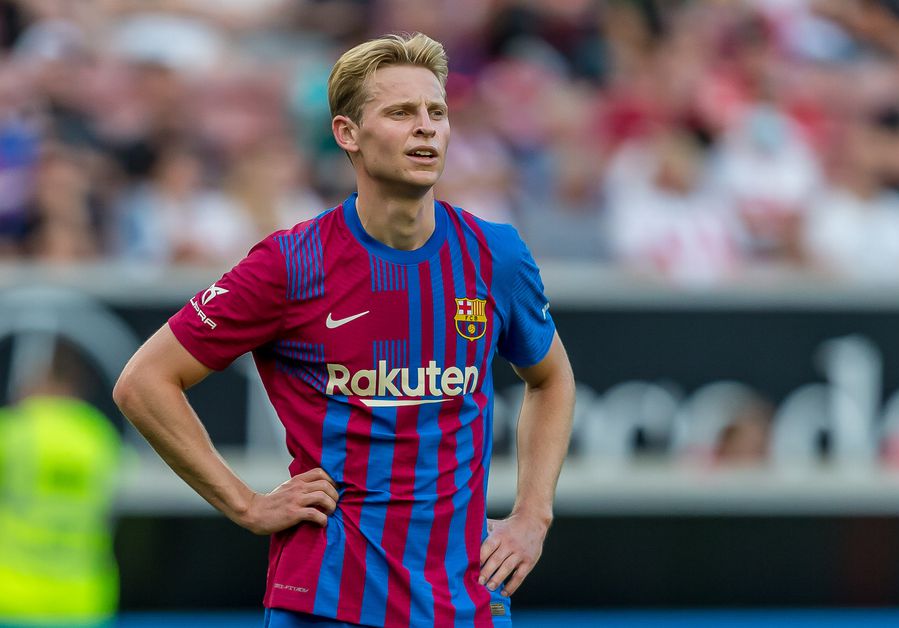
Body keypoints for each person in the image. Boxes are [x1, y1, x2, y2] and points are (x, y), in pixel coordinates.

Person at [113, 33, 575, 627]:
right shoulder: (290, 264)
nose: (426, 127)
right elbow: (144, 382)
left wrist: (534, 515)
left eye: (436, 112)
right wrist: (246, 505)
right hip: (328, 603)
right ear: (347, 133)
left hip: (465, 603)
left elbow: (551, 378)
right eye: (400, 112)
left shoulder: (496, 255)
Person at [0, 342, 122, 628]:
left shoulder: (16, 430)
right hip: (84, 599)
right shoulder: (99, 435)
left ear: (41, 378)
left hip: (13, 595)